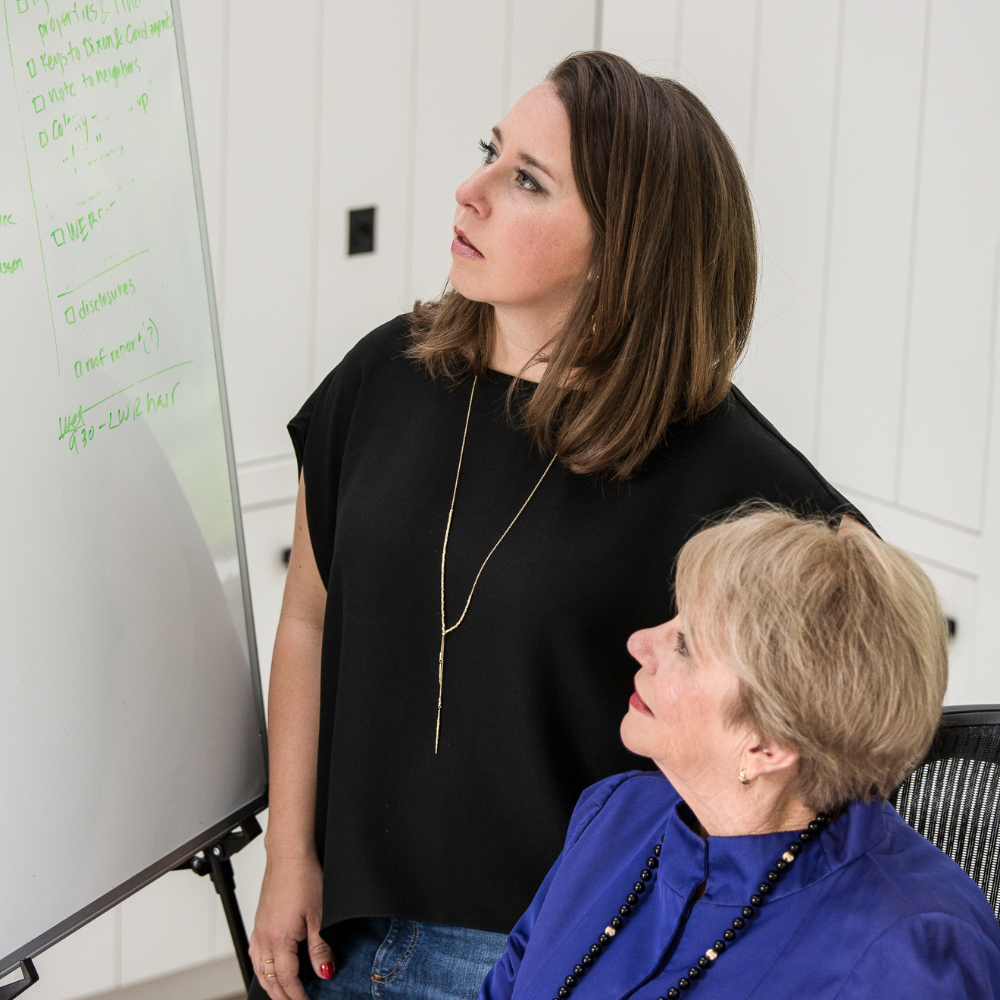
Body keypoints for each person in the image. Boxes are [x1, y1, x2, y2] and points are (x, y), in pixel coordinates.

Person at [248, 52, 868, 1000]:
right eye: (490, 152)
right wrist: (288, 854)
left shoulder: (713, 462)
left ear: (624, 250)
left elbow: (866, 662)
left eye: (527, 181)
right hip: (343, 924)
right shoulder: (381, 377)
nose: (471, 191)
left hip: (550, 956)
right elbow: (307, 619)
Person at [479, 508, 1000, 1000]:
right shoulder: (614, 815)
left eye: (685, 645)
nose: (639, 642)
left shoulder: (911, 957)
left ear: (769, 744)